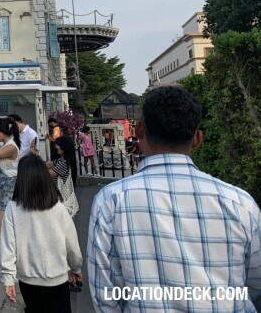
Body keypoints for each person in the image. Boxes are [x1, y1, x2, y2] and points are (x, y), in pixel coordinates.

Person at [87, 86, 261, 311]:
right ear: (198, 139)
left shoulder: (111, 201)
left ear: (139, 129)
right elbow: (255, 284)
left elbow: (105, 296)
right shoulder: (240, 203)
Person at [0, 155, 83, 313]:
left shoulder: (13, 208)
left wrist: (8, 279)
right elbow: (71, 244)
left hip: (28, 279)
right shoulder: (58, 208)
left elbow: (8, 246)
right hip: (57, 278)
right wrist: (76, 268)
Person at [46, 135, 78, 219]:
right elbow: (46, 165)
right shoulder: (61, 161)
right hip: (58, 198)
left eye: (57, 145)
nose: (55, 147)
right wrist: (36, 156)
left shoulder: (64, 164)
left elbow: (48, 173)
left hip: (61, 200)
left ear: (64, 147)